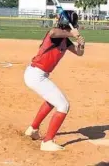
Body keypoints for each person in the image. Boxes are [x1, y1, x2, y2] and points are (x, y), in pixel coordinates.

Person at [24, 10, 85, 151]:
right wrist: (72, 33)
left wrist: (81, 44)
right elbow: (53, 32)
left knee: (52, 101)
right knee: (63, 105)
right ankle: (47, 142)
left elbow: (79, 53)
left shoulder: (65, 39)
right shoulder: (56, 34)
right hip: (36, 75)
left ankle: (33, 129)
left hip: (39, 75)